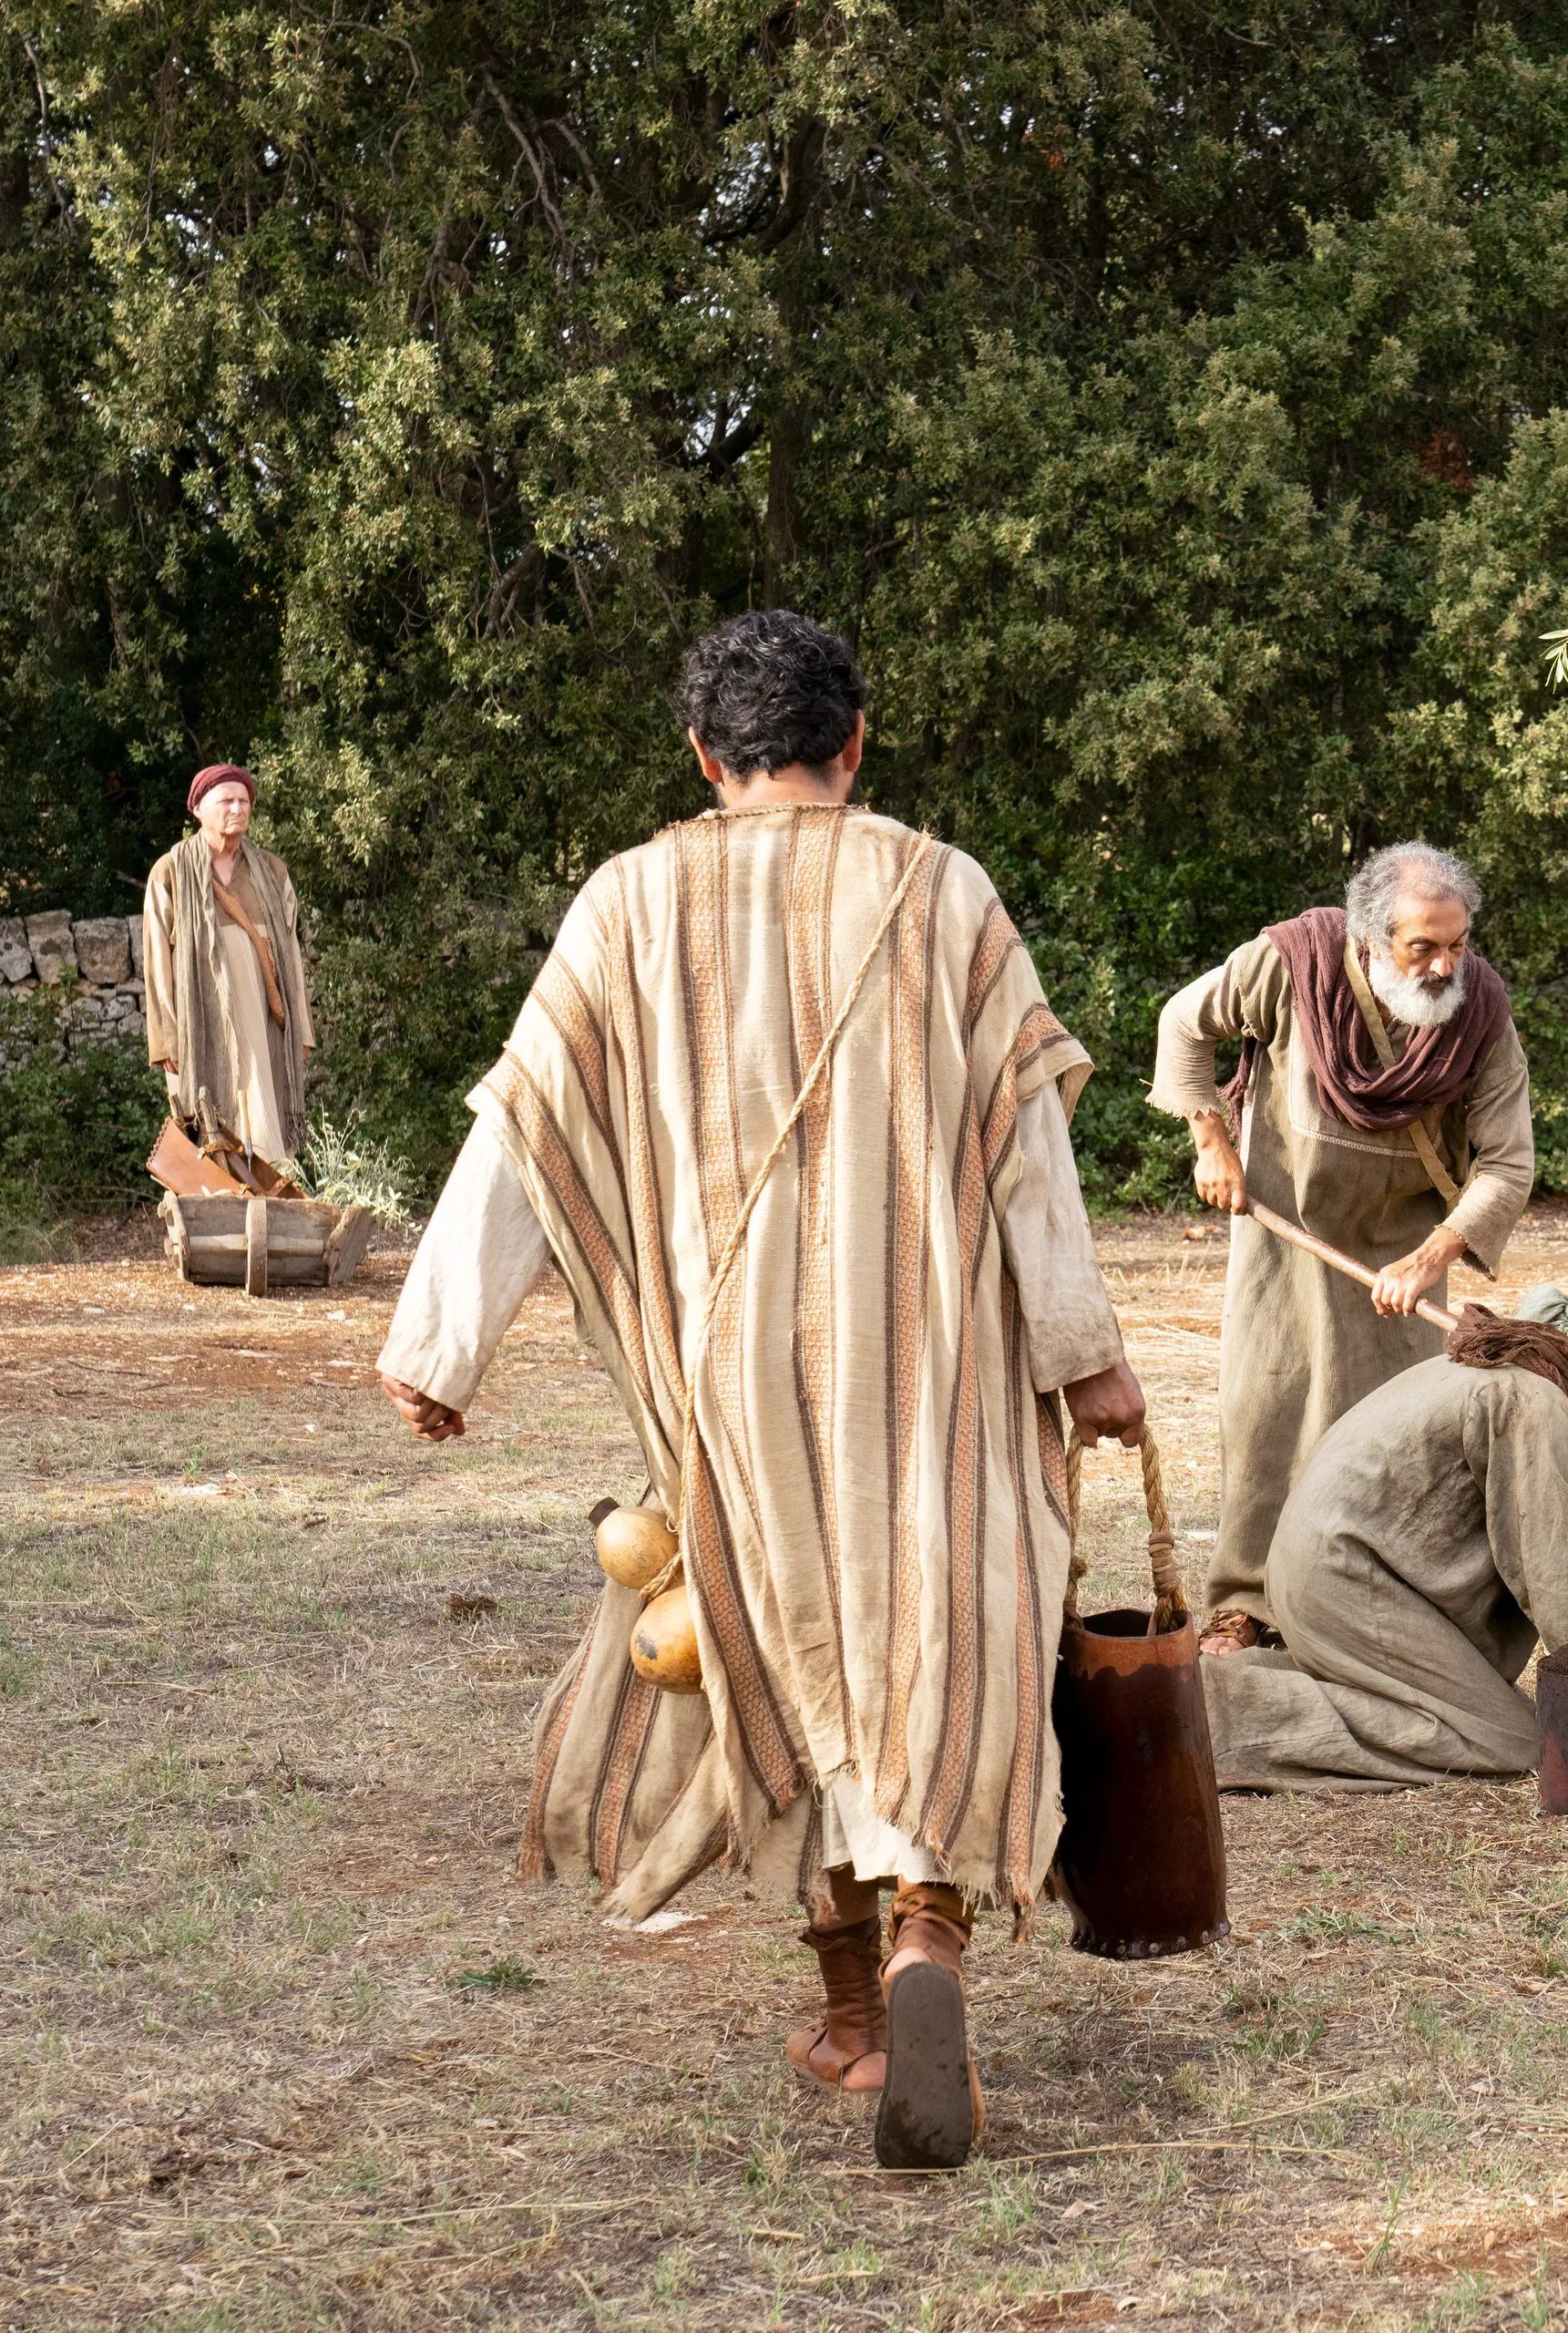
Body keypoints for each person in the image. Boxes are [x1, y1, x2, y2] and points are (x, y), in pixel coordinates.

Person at [374, 611, 1147, 2170]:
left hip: (733, 1390)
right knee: (933, 1639)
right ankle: (932, 1931)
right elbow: (1024, 1150)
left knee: (785, 1661)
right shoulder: (944, 892)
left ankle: (855, 2012)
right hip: (936, 1368)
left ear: (701, 757)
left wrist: (437, 1345)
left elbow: (524, 1129)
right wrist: (1087, 1358)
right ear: (855, 745)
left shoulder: (628, 904)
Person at [1150, 841, 1535, 1653]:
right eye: (1420, 946)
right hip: (1284, 1233)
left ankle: (1369, 1613)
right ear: (1369, 939)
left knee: (1392, 1439)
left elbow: (1507, 1163)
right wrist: (1210, 1139)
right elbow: (1184, 1024)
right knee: (1267, 1411)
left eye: (1456, 945)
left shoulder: (1482, 1016)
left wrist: (1434, 1257)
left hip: (1404, 1250)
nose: (1442, 967)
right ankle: (1246, 1603)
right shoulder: (1290, 967)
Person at [1201, 1268, 1568, 1790]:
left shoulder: (1526, 1374)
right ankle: (1218, 1711)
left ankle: (1232, 1686)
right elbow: (1557, 1572)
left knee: (1492, 1721)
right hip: (1343, 1580)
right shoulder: (1532, 1401)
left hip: (1347, 1575)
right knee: (1516, 1743)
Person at [142, 764, 316, 1183]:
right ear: (198, 809)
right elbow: (157, 965)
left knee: (268, 1126)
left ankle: (273, 1218)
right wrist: (167, 1038)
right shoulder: (170, 872)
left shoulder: (272, 872)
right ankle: (218, 1217)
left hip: (263, 1023)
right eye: (226, 801)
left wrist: (302, 1029)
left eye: (244, 801)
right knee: (210, 1127)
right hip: (201, 1026)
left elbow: (290, 954)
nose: (237, 808)